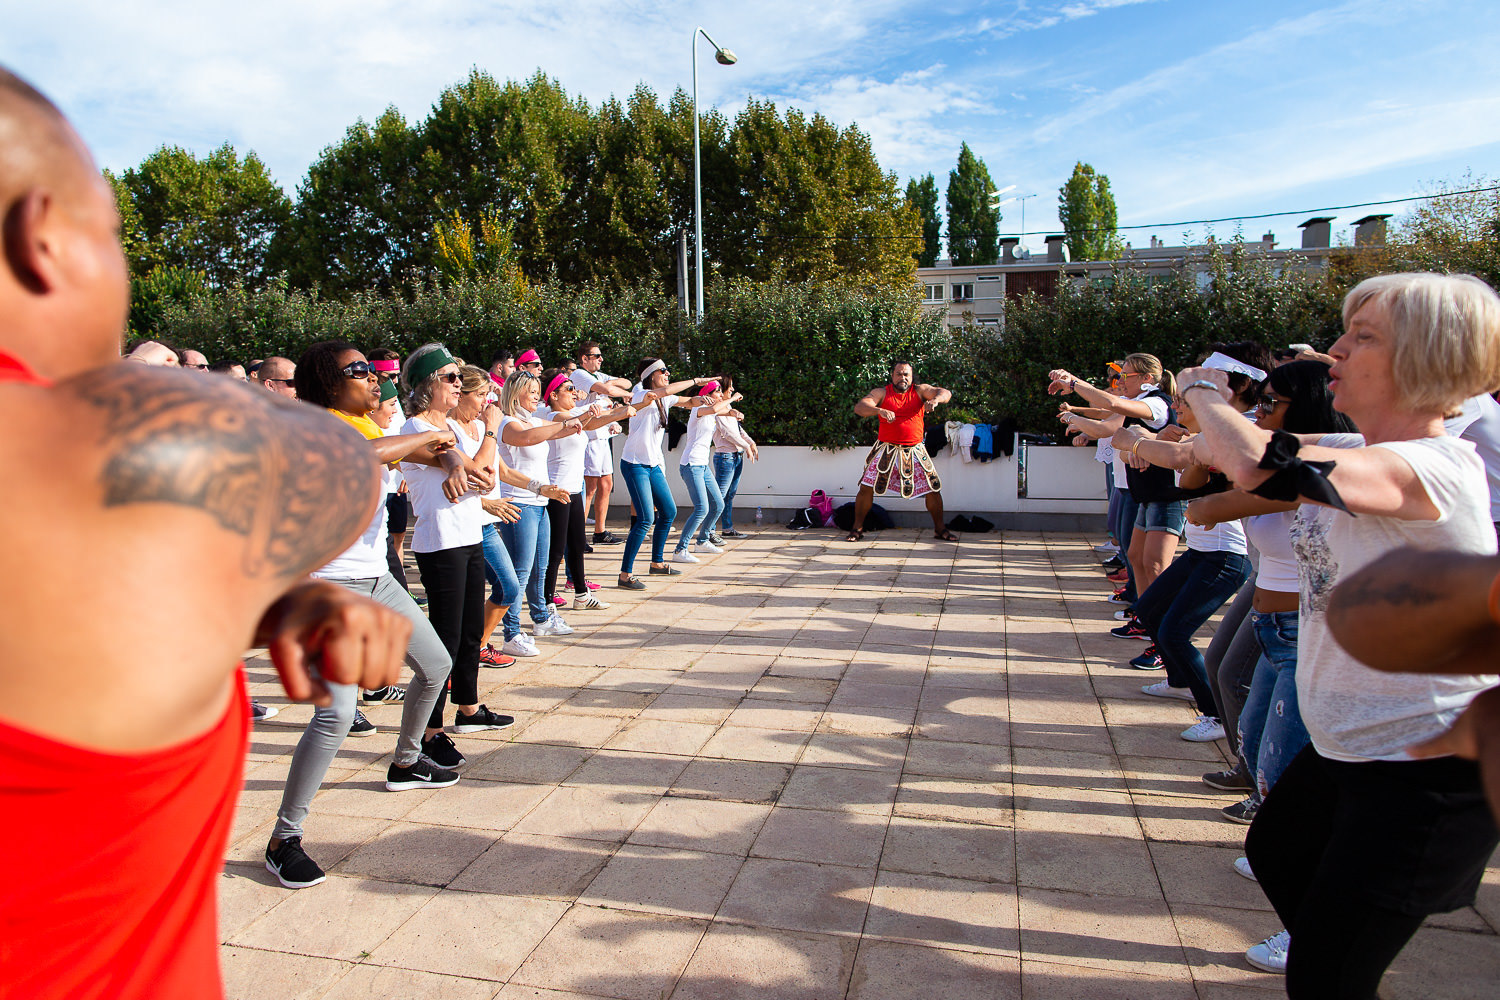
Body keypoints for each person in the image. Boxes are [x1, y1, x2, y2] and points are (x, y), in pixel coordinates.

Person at [0, 65, 408, 998]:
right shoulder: (122, 459)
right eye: (108, 231)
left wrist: (226, 607)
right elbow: (342, 466)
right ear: (43, 239)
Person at [1180, 272, 1500, 996]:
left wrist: (1201, 389)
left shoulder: (1432, 467)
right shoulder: (1358, 447)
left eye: (1362, 338)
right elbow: (1245, 456)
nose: (1334, 352)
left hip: (1428, 771)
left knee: (1325, 974)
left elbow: (1260, 458)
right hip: (1353, 749)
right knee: (1278, 851)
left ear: (1423, 359)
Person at [264, 342, 470, 890]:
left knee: (435, 664)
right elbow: (380, 454)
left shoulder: (367, 429)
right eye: (359, 372)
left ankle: (405, 761)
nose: (373, 379)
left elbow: (436, 452)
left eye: (373, 372)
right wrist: (433, 438)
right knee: (335, 715)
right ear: (328, 384)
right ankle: (285, 839)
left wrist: (450, 457)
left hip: (377, 579)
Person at [399, 344, 517, 757]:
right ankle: (429, 734)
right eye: (450, 377)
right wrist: (490, 428)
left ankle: (467, 707)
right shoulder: (415, 428)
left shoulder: (450, 428)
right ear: (428, 384)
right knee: (445, 640)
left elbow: (480, 478)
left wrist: (474, 454)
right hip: (441, 544)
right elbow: (483, 472)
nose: (458, 383)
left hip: (467, 536)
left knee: (470, 633)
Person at [1052, 353, 1180, 631]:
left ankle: (1160, 625)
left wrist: (1073, 383)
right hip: (1148, 494)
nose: (1120, 380)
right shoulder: (1139, 402)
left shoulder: (1156, 403)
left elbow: (1108, 407)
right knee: (1135, 556)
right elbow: (1106, 410)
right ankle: (1146, 617)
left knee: (1155, 564)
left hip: (1164, 494)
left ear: (1147, 379)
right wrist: (1074, 396)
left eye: (1126, 375)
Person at [494, 369, 585, 642]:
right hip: (519, 504)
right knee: (519, 574)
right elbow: (528, 438)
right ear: (515, 393)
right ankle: (511, 632)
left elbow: (547, 434)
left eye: (537, 391)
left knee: (540, 569)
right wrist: (564, 425)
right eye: (531, 391)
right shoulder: (508, 423)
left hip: (540, 502)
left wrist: (580, 421)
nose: (536, 396)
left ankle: (541, 618)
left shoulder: (533, 420)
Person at [537, 367, 634, 609]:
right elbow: (572, 422)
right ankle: (547, 600)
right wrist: (589, 411)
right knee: (556, 550)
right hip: (557, 490)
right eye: (569, 389)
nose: (575, 392)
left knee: (577, 544)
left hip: (574, 489)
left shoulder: (575, 416)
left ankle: (581, 594)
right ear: (553, 395)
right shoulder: (551, 417)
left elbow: (593, 423)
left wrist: (624, 411)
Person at [617, 358, 715, 589]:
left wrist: (698, 399)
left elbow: (685, 400)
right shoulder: (640, 392)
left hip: (652, 465)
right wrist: (695, 380)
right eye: (664, 371)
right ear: (652, 375)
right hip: (634, 464)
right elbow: (666, 391)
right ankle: (624, 575)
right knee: (645, 519)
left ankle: (657, 563)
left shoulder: (664, 398)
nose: (668, 373)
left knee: (669, 511)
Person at [846, 361, 954, 542]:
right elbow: (860, 407)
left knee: (933, 488)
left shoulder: (920, 391)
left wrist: (934, 400)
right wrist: (878, 410)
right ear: (892, 375)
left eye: (906, 375)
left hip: (915, 450)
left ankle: (940, 529)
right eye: (899, 374)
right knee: (866, 487)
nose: (903, 378)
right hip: (886, 450)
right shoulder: (882, 392)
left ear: (911, 377)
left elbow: (945, 393)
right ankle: (857, 528)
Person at [673, 380, 741, 562]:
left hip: (702, 466)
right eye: (718, 392)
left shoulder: (712, 411)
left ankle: (702, 541)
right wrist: (733, 399)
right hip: (691, 465)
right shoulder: (699, 410)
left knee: (718, 504)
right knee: (702, 508)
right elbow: (713, 409)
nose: (721, 395)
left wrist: (734, 412)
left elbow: (723, 411)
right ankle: (680, 550)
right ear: (708, 395)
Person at [571, 340, 632, 545]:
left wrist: (609, 387)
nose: (601, 359)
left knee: (606, 484)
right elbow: (617, 391)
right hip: (588, 436)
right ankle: (578, 536)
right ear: (584, 359)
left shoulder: (599, 377)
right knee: (589, 488)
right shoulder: (580, 375)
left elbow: (626, 383)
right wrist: (614, 391)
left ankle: (600, 531)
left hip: (602, 436)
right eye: (596, 356)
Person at [711, 373, 758, 541]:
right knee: (720, 495)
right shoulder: (716, 410)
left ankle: (727, 528)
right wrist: (746, 447)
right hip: (725, 458)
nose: (732, 389)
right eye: (729, 386)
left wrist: (750, 443)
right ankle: (709, 531)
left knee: (729, 494)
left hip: (735, 457)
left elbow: (738, 430)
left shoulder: (728, 411)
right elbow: (728, 433)